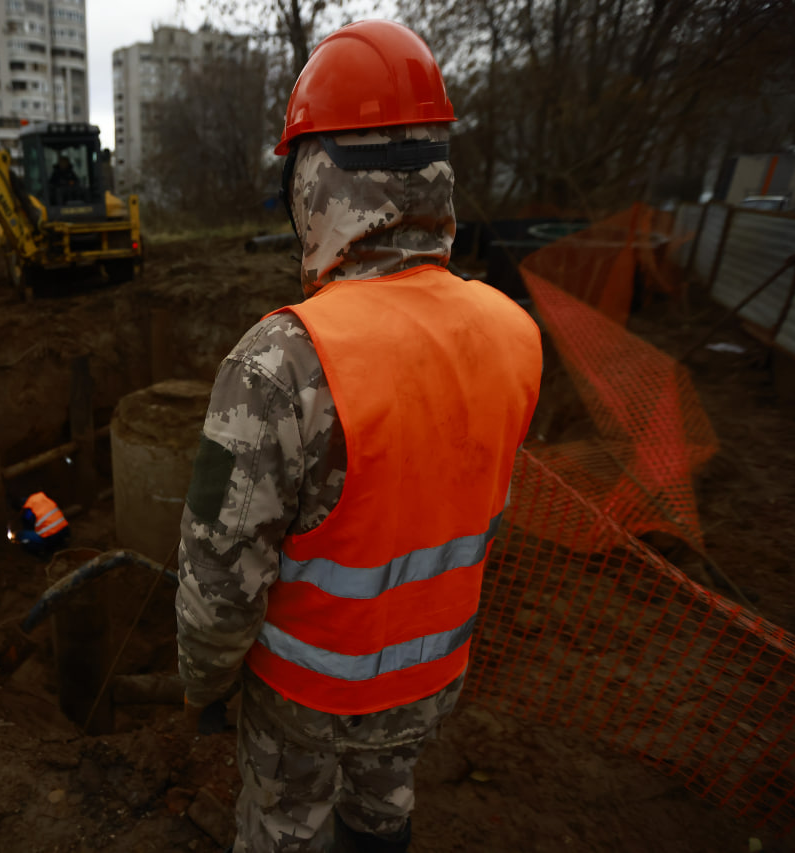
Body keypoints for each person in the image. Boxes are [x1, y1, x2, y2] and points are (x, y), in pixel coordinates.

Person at [174, 20, 542, 853]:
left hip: (304, 700)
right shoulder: (515, 333)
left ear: (315, 180)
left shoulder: (280, 363)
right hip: (429, 682)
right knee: (382, 808)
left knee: (286, 827)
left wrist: (202, 684)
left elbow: (219, 588)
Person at [16, 491, 70, 559]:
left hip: (51, 537)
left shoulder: (28, 509)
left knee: (21, 535)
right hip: (64, 530)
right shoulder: (42, 499)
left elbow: (29, 525)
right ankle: (60, 543)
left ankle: (43, 552)